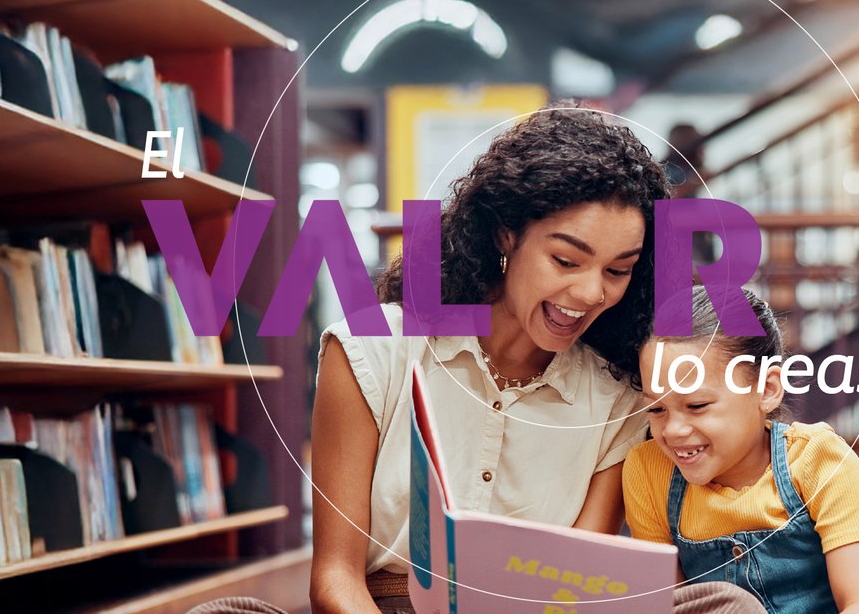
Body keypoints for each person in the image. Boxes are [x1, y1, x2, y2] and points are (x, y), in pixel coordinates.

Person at [193, 106, 765, 614]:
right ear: (506, 234)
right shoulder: (373, 349)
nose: (593, 293)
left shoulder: (617, 399)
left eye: (618, 271)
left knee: (724, 605)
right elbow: (335, 580)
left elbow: (582, 598)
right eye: (567, 260)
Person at [623, 286, 859, 614]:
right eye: (656, 410)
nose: (674, 430)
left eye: (697, 405)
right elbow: (670, 605)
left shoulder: (819, 459)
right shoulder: (648, 470)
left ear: (767, 389)